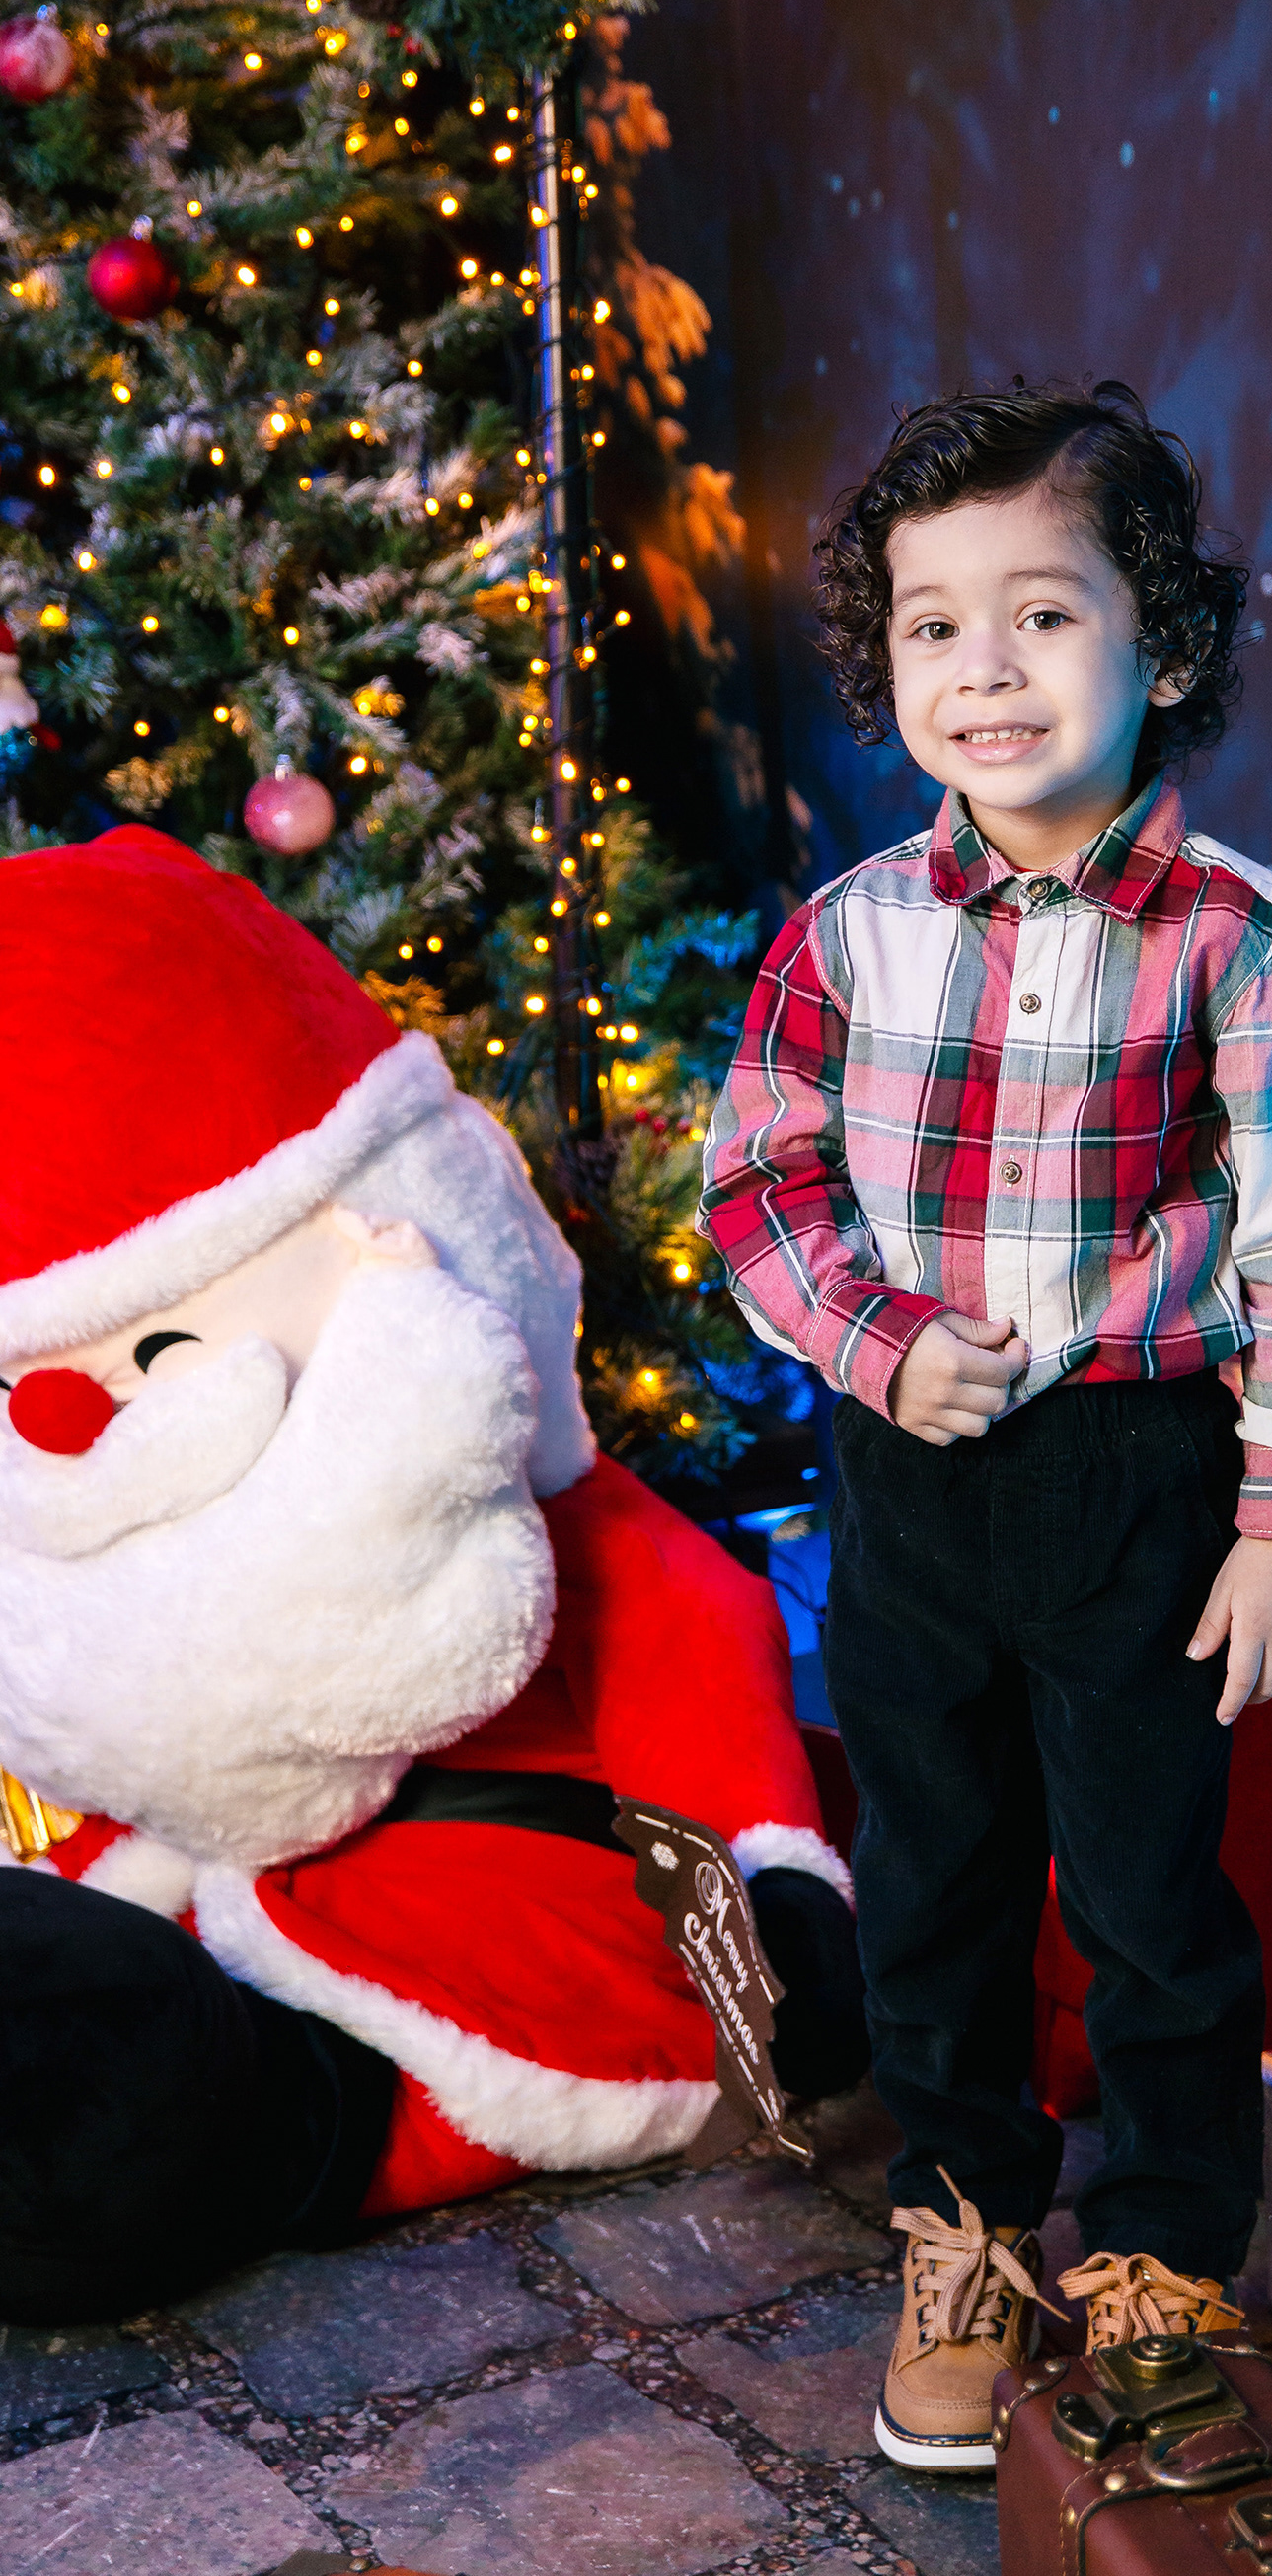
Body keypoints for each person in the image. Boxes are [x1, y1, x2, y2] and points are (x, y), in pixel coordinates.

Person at [699, 378, 1272, 2468]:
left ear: (1159, 647)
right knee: (932, 1874)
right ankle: (968, 2226)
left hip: (1138, 1477)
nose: (983, 671)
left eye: (1045, 616)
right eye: (934, 626)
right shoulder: (847, 934)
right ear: (886, 660)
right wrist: (877, 1342)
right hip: (910, 1475)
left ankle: (1169, 2244)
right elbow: (764, 1182)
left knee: (1150, 1888)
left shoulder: (1248, 940)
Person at [0, 828, 864, 2325]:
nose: (70, 1421)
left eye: (151, 1350)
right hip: (223, 1894)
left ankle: (225, 2132)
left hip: (504, 1915)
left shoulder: (531, 1500)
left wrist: (776, 1896)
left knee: (221, 2081)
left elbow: (687, 1646)